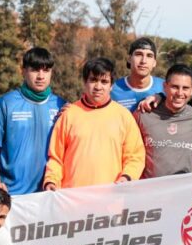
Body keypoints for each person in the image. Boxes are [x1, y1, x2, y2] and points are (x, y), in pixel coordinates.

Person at [43, 57, 145, 190]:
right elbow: (56, 158)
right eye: (93, 80)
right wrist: (51, 181)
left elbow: (135, 156)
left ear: (111, 85)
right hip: (73, 198)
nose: (98, 87)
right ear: (85, 82)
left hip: (111, 197)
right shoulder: (69, 115)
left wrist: (127, 177)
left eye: (104, 81)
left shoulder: (124, 116)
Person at [0, 47, 66, 195]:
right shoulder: (6, 103)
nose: (40, 76)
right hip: (12, 193)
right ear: (23, 71)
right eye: (35, 70)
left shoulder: (61, 105)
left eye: (46, 71)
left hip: (49, 192)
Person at [134, 64, 192, 178]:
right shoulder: (144, 113)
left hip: (184, 187)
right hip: (148, 187)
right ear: (165, 86)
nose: (180, 93)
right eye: (174, 87)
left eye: (185, 88)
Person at [111, 37, 164, 112]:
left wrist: (162, 97)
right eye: (139, 54)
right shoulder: (112, 90)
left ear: (154, 62)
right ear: (129, 59)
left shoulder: (166, 88)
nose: (143, 61)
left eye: (149, 56)